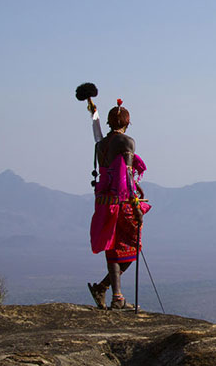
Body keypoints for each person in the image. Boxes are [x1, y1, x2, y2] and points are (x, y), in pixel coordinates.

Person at [86, 99, 150, 310]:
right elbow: (128, 176)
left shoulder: (101, 145)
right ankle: (110, 292)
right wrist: (135, 205)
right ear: (128, 123)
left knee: (112, 246)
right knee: (132, 246)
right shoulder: (126, 142)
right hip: (121, 202)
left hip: (103, 201)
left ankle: (115, 295)